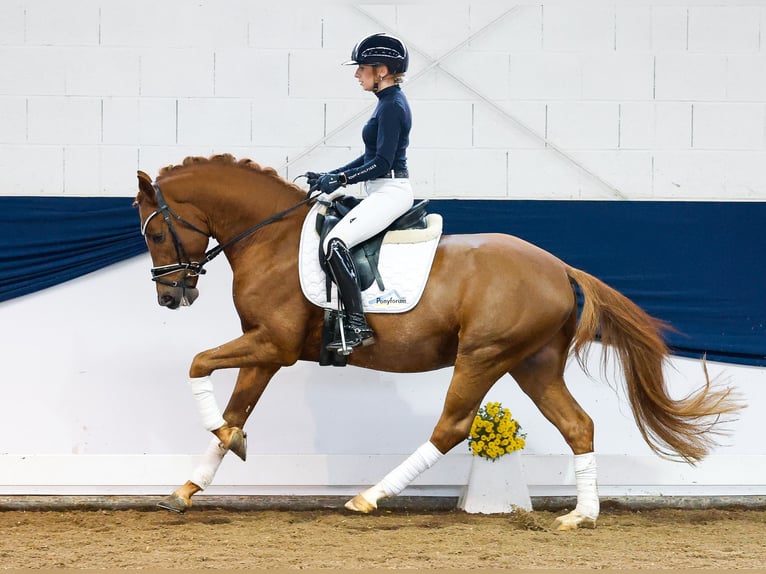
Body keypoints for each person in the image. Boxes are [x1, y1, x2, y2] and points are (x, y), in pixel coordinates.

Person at [307, 33, 414, 354]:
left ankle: (356, 324)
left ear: (382, 71)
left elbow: (381, 163)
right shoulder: (385, 104)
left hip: (392, 189)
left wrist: (341, 178)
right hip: (381, 188)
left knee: (334, 243)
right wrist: (333, 176)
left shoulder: (392, 106)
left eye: (362, 68)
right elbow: (369, 159)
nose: (357, 75)